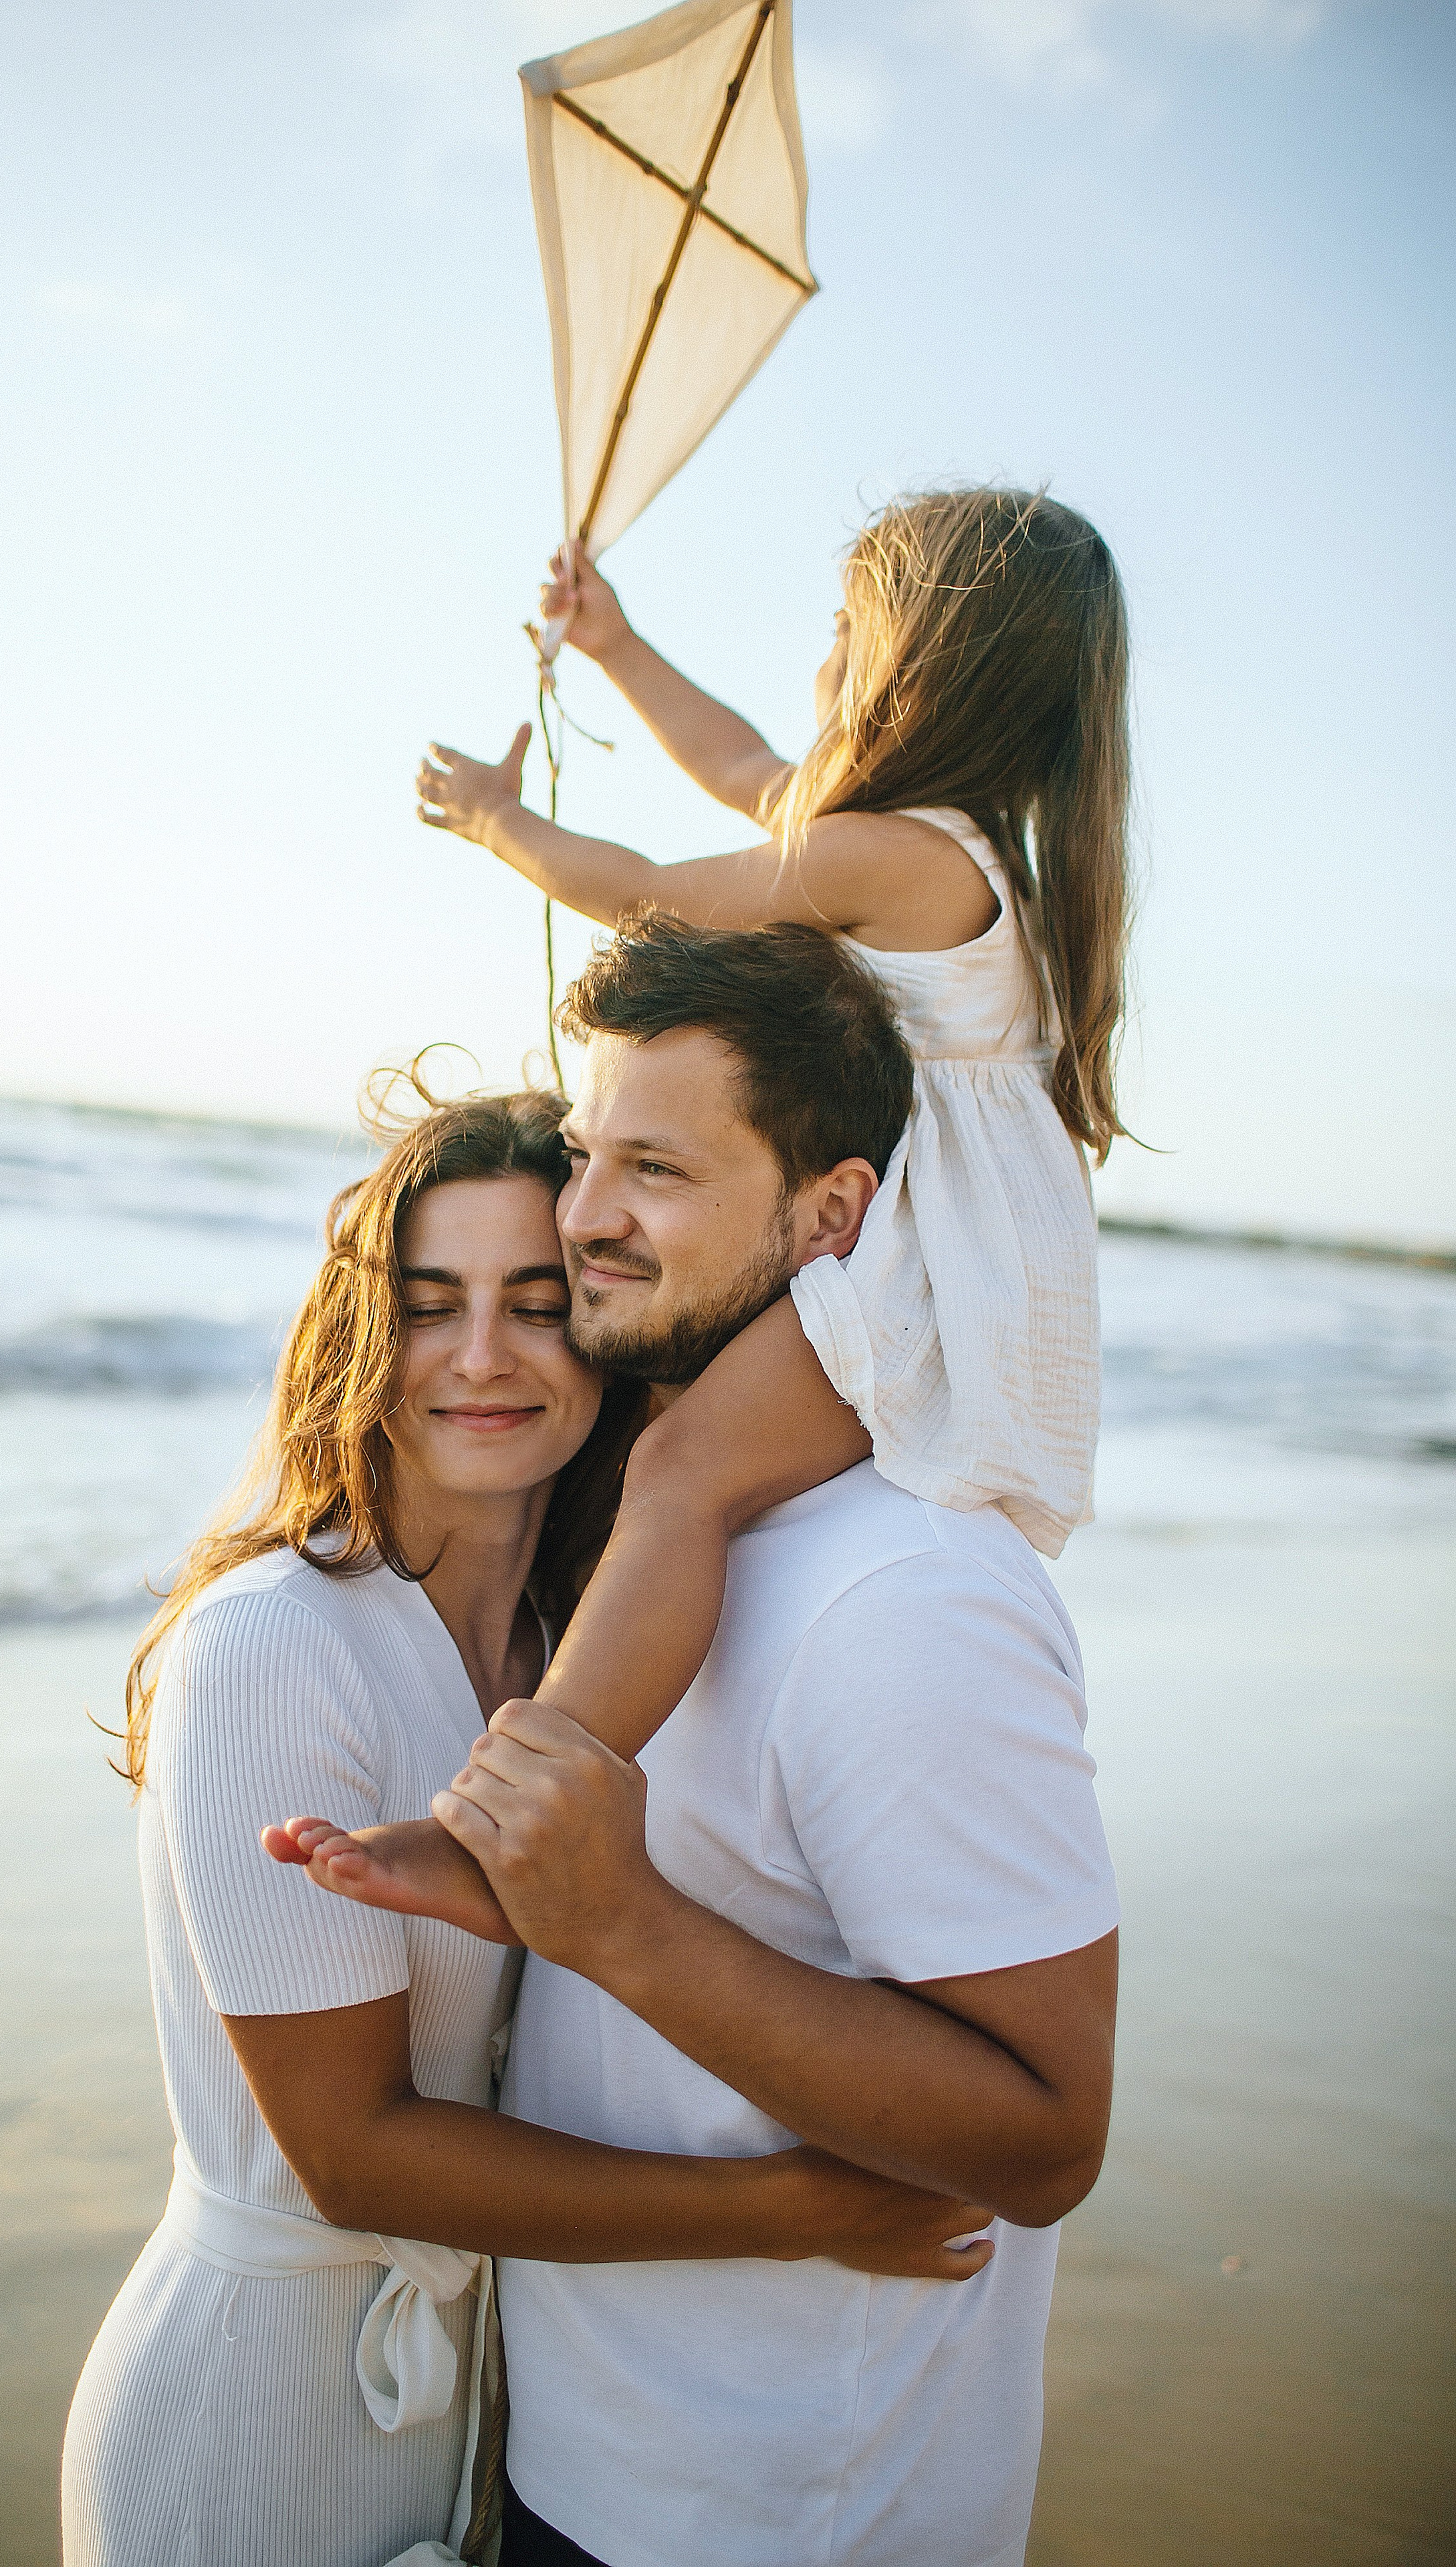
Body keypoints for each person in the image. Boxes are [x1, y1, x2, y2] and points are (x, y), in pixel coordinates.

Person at [61, 1084, 998, 2567]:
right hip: (259, 2415)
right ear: (362, 1336)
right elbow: (352, 2158)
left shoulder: (582, 1656)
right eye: (430, 1307)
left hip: (472, 2400)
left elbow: (850, 1307)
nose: (483, 1359)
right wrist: (799, 2206)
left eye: (538, 1302)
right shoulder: (274, 1645)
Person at [283, 916, 1121, 2567]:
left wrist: (614, 1924)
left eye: (653, 1171)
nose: (584, 1212)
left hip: (776, 2516)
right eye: (588, 1154)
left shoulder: (906, 1597)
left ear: (835, 1216)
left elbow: (1044, 2141)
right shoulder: (666, 1536)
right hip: (594, 2457)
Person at [315, 484, 1130, 1940]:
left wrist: (500, 823)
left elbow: (643, 895)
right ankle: (537, 1792)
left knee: (685, 1463)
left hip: (908, 1256)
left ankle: (517, 1821)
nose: (817, 663)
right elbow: (745, 762)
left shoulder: (894, 855)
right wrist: (613, 644)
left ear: (908, 661)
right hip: (931, 1245)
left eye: (839, 630)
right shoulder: (941, 847)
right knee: (684, 1457)